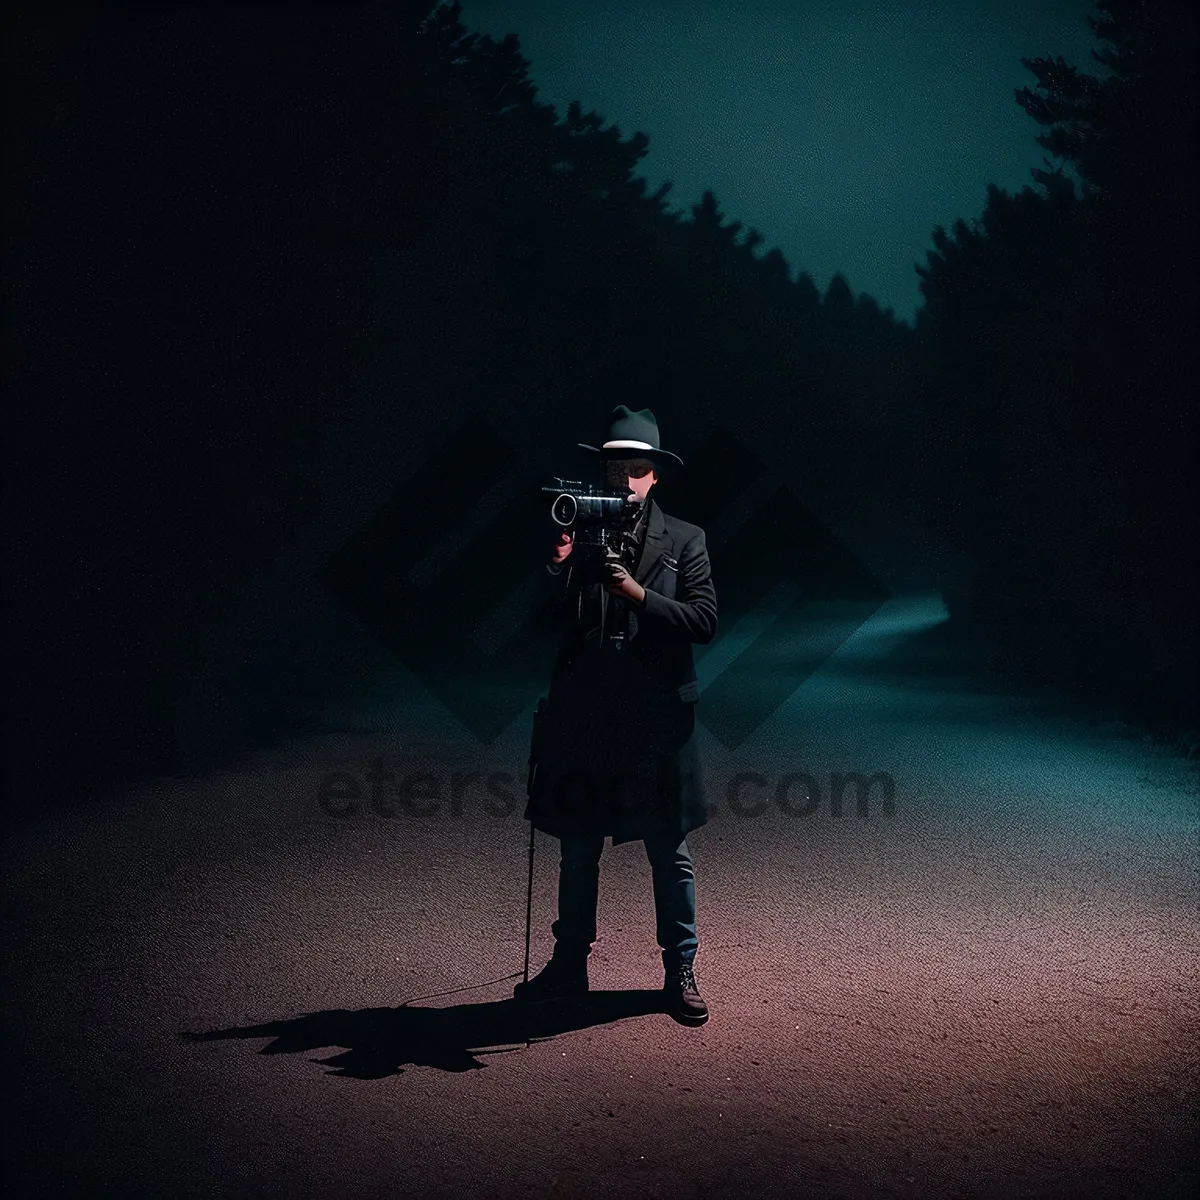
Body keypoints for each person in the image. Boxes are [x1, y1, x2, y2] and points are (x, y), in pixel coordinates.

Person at [518, 405, 717, 1026]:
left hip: (655, 720)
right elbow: (541, 627)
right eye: (615, 468)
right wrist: (557, 565)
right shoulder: (580, 531)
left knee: (668, 850)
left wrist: (637, 594)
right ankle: (568, 964)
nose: (624, 480)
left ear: (654, 475)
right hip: (588, 717)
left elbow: (704, 621)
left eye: (636, 469)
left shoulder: (686, 539)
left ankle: (679, 968)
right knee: (579, 847)